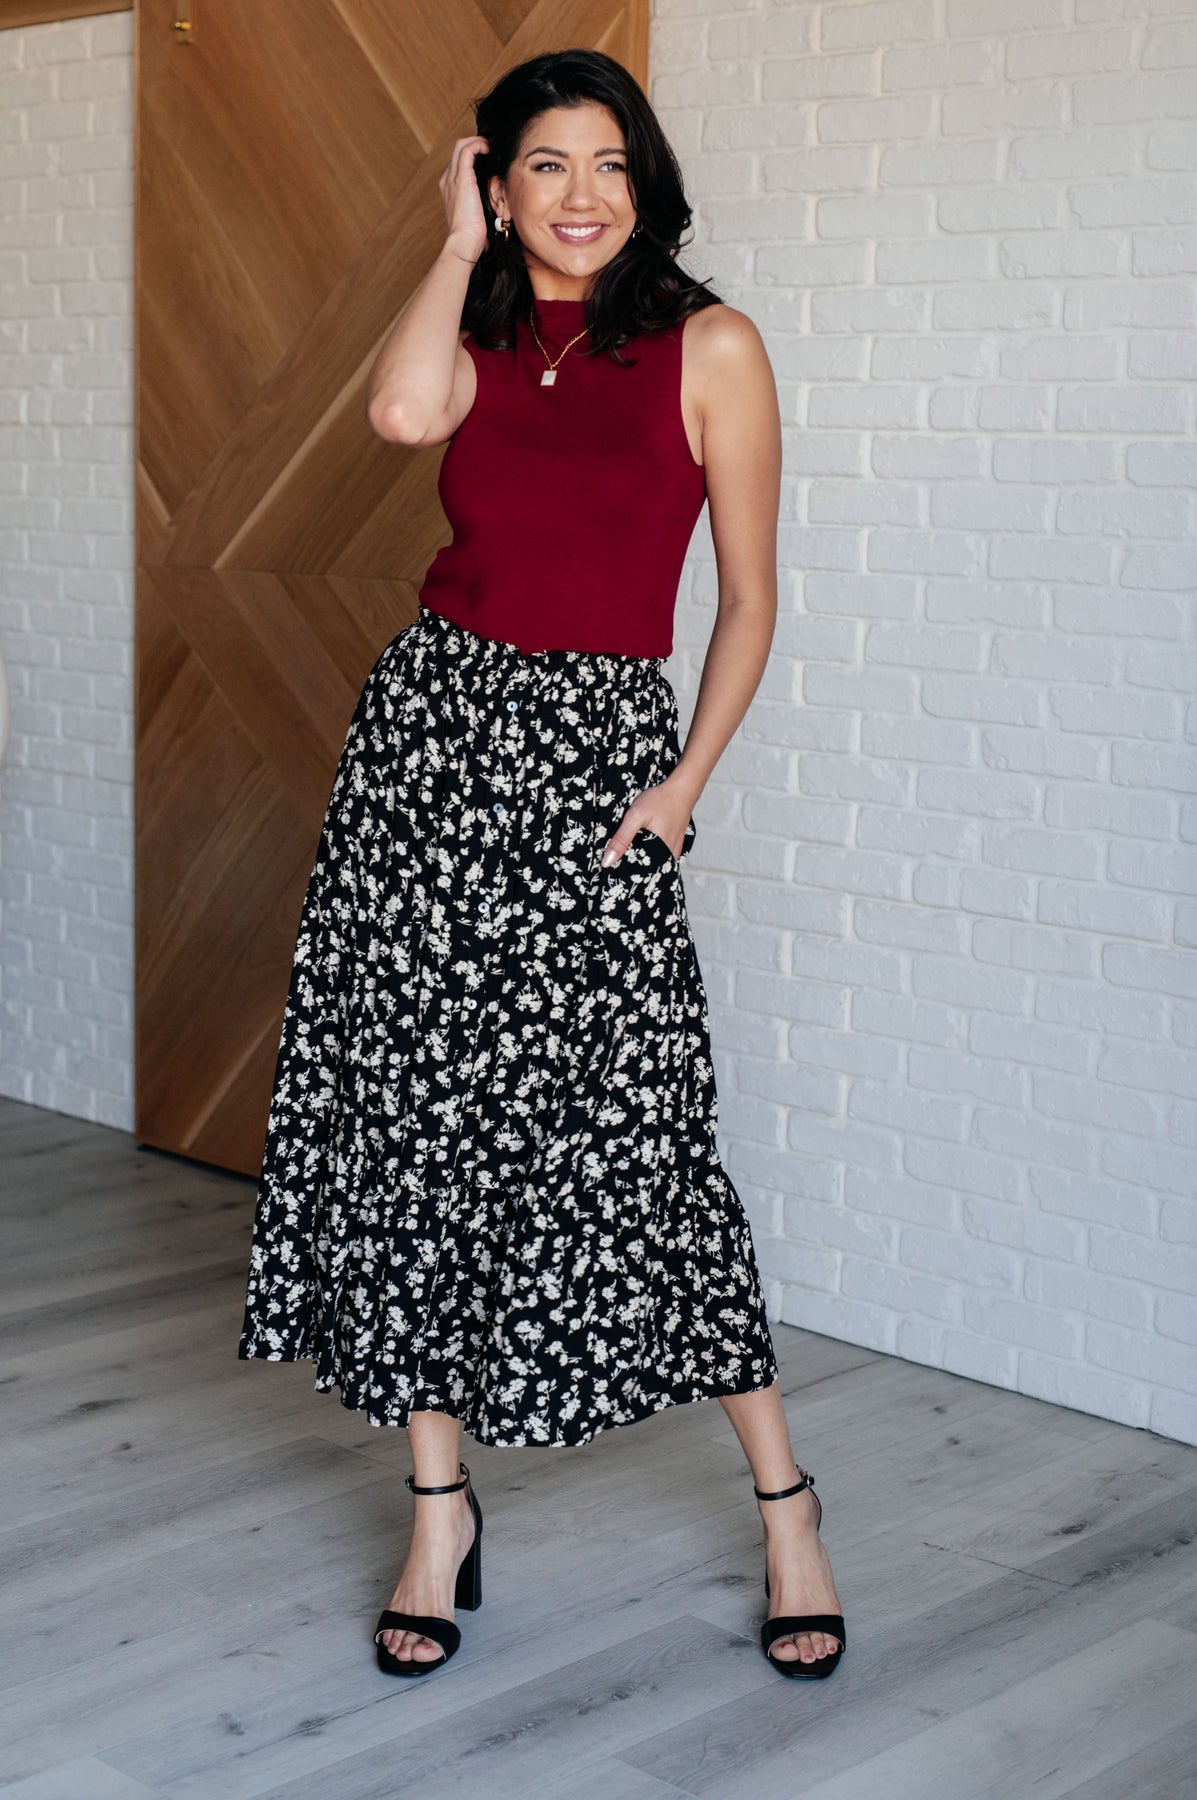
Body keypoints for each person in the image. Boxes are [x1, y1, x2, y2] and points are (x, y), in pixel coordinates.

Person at [237, 47, 845, 1685]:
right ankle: (439, 1512)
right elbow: (397, 415)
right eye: (545, 167)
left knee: (642, 1132)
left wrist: (681, 787)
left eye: (610, 165)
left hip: (594, 767)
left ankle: (786, 1505)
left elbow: (749, 600)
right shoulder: (477, 328)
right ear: (496, 185)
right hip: (429, 751)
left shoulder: (710, 345)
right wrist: (450, 248)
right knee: (418, 1128)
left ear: (644, 185)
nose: (582, 196)